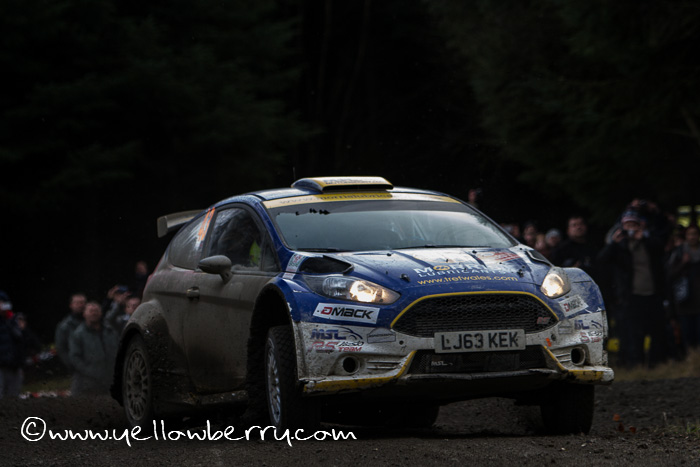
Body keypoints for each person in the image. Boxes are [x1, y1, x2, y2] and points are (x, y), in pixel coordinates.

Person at [598, 209, 668, 367]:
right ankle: (635, 364)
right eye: (627, 225)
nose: (631, 228)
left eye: (633, 225)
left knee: (656, 330)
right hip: (631, 296)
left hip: (653, 294)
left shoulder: (649, 242)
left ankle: (656, 363)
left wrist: (645, 238)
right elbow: (602, 261)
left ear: (640, 226)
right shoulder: (620, 246)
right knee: (633, 332)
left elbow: (661, 249)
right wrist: (613, 243)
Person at [68, 301, 119, 396]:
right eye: (91, 311)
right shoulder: (78, 334)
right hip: (86, 383)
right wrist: (90, 371)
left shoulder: (110, 331)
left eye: (96, 311)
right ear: (84, 314)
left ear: (101, 313)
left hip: (109, 381)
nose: (94, 313)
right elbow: (75, 358)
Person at [667, 224, 700, 350]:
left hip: (698, 301)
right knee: (687, 335)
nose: (692, 237)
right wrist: (683, 263)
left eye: (695, 234)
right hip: (684, 301)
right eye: (689, 234)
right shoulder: (679, 252)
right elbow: (670, 275)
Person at [0, 291, 25, 398]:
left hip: (14, 365)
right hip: (1, 366)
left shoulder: (13, 320)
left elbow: (20, 340)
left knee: (14, 396)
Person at [54, 293, 87, 371]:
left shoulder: (92, 322)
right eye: (77, 303)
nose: (81, 305)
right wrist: (72, 365)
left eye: (82, 303)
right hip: (78, 366)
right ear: (71, 305)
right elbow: (61, 348)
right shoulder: (65, 326)